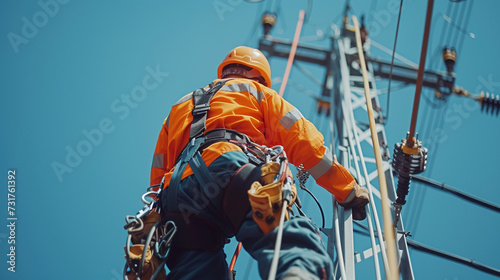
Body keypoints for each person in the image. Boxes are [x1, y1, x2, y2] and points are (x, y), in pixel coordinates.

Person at [149, 46, 369, 280]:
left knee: (194, 272)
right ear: (258, 75)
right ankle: (298, 274)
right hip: (231, 167)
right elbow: (305, 142)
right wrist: (346, 189)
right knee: (287, 240)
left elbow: (158, 174)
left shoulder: (178, 108)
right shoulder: (257, 91)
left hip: (176, 198)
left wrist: (155, 223)